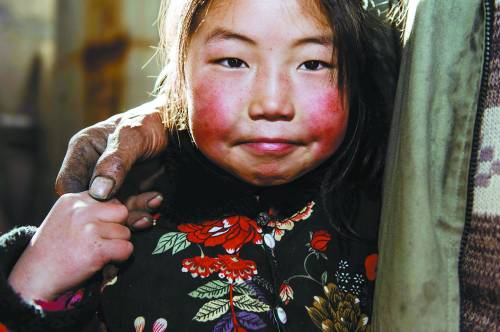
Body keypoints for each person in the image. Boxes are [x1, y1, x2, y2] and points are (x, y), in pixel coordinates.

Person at [0, 0, 396, 331]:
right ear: (178, 79)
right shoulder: (118, 241)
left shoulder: (390, 208)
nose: (273, 103)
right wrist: (35, 279)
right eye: (233, 61)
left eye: (313, 64)